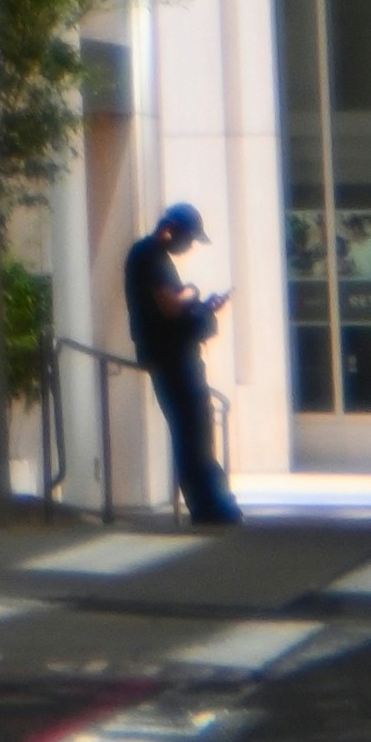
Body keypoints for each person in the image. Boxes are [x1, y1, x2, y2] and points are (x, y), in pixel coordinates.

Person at [122, 201, 238, 523]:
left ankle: (211, 500)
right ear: (172, 230)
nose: (188, 247)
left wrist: (198, 304)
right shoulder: (147, 256)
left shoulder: (154, 257)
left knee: (196, 429)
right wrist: (191, 294)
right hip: (170, 357)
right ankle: (207, 504)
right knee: (191, 431)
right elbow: (170, 306)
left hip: (176, 354)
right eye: (188, 239)